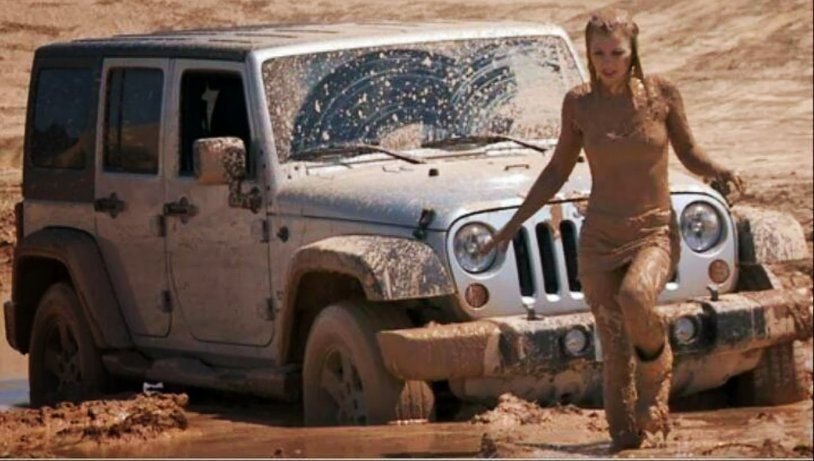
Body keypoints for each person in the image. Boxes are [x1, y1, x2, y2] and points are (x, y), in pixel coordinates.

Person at [480, 7, 744, 450]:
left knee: (635, 297)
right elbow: (556, 171)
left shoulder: (661, 96)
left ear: (633, 49)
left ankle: (658, 366)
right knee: (615, 352)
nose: (608, 62)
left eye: (616, 52)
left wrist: (719, 169)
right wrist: (511, 225)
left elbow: (690, 152)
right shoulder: (579, 104)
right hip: (599, 240)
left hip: (654, 232)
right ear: (588, 52)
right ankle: (625, 441)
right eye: (599, 52)